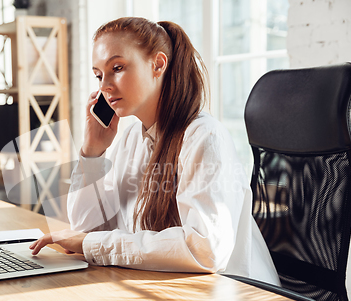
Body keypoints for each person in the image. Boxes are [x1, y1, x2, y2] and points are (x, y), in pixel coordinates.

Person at [30, 17, 279, 285]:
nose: (104, 86)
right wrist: (92, 153)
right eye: (99, 75)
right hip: (169, 288)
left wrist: (93, 244)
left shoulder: (204, 136)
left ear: (158, 64)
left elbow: (206, 251)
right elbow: (85, 229)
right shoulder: (129, 140)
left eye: (117, 68)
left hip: (235, 298)